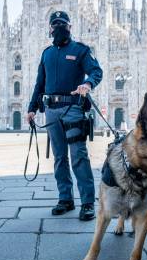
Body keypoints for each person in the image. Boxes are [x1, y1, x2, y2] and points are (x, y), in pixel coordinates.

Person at [26, 11, 103, 221]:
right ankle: (65, 199)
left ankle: (87, 203)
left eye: (63, 23)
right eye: (55, 24)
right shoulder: (47, 54)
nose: (59, 27)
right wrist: (32, 107)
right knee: (59, 157)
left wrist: (87, 84)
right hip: (50, 110)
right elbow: (39, 84)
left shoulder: (80, 50)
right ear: (50, 29)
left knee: (78, 155)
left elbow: (96, 71)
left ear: (69, 27)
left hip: (73, 109)